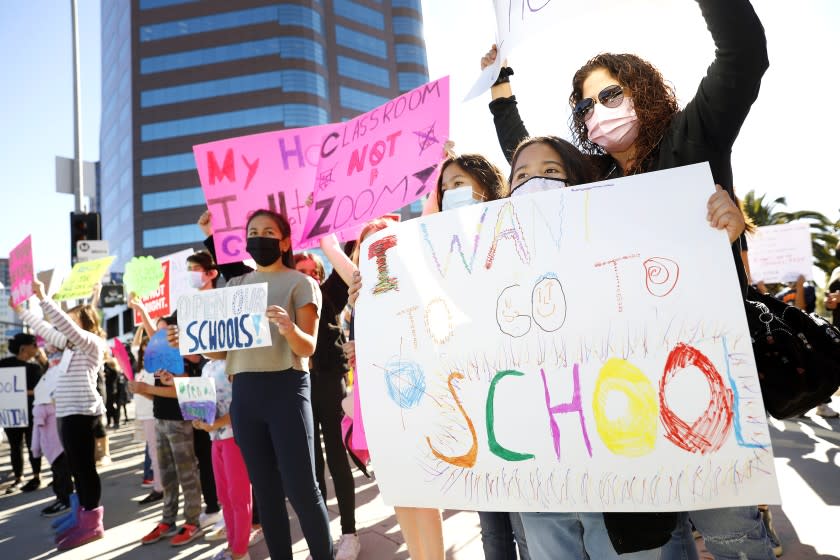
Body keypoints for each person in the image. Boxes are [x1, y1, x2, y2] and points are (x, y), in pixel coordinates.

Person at [173, 209, 333, 560]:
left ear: (285, 240)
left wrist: (289, 328)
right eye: (253, 231)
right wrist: (186, 340)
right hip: (245, 397)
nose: (259, 237)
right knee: (265, 491)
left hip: (287, 391)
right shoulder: (235, 286)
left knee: (303, 490)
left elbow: (309, 347)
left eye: (268, 231)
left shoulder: (300, 283)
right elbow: (221, 352)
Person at [21, 280, 108, 550]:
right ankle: (80, 513)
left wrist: (44, 298)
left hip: (81, 413)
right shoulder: (70, 346)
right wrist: (22, 310)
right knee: (76, 469)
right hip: (67, 412)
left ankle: (92, 522)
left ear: (85, 321)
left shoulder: (91, 341)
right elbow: (46, 329)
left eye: (72, 320)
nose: (66, 325)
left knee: (84, 469)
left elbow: (65, 327)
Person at [294, 251, 361, 560]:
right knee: (311, 465)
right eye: (302, 270)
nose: (310, 275)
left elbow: (345, 252)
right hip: (299, 385)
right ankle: (323, 538)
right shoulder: (286, 298)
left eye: (315, 270)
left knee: (336, 457)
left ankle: (350, 533)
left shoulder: (328, 293)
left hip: (331, 381)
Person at [0, 331, 44, 494]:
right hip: (11, 413)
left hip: (30, 412)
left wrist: (22, 392)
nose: (36, 348)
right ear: (23, 348)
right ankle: (19, 478)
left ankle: (36, 476)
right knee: (15, 446)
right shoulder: (3, 364)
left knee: (33, 445)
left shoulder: (35, 367)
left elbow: (41, 390)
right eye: (34, 345)